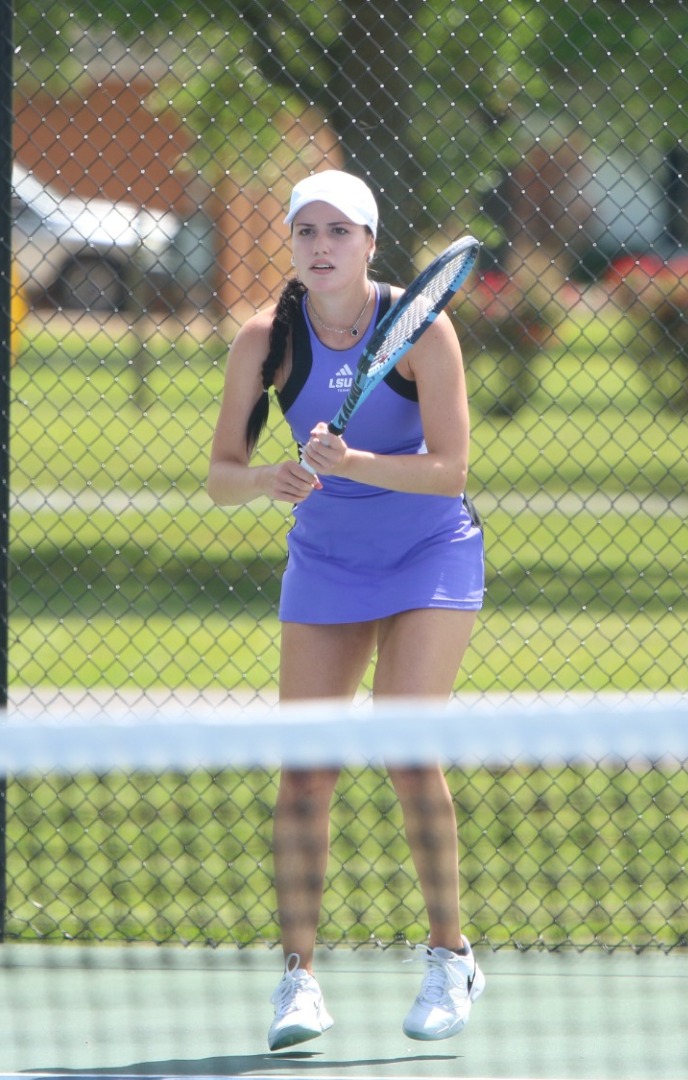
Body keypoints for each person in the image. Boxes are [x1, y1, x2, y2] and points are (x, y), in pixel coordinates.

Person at [206, 169, 486, 1050]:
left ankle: (451, 957)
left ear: (370, 243)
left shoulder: (423, 331)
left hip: (428, 553)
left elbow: (451, 470)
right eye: (306, 234)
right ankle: (299, 980)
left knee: (406, 748)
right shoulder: (265, 340)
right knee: (307, 772)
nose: (321, 247)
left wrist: (355, 460)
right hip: (326, 561)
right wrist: (271, 478)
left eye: (340, 232)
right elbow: (221, 477)